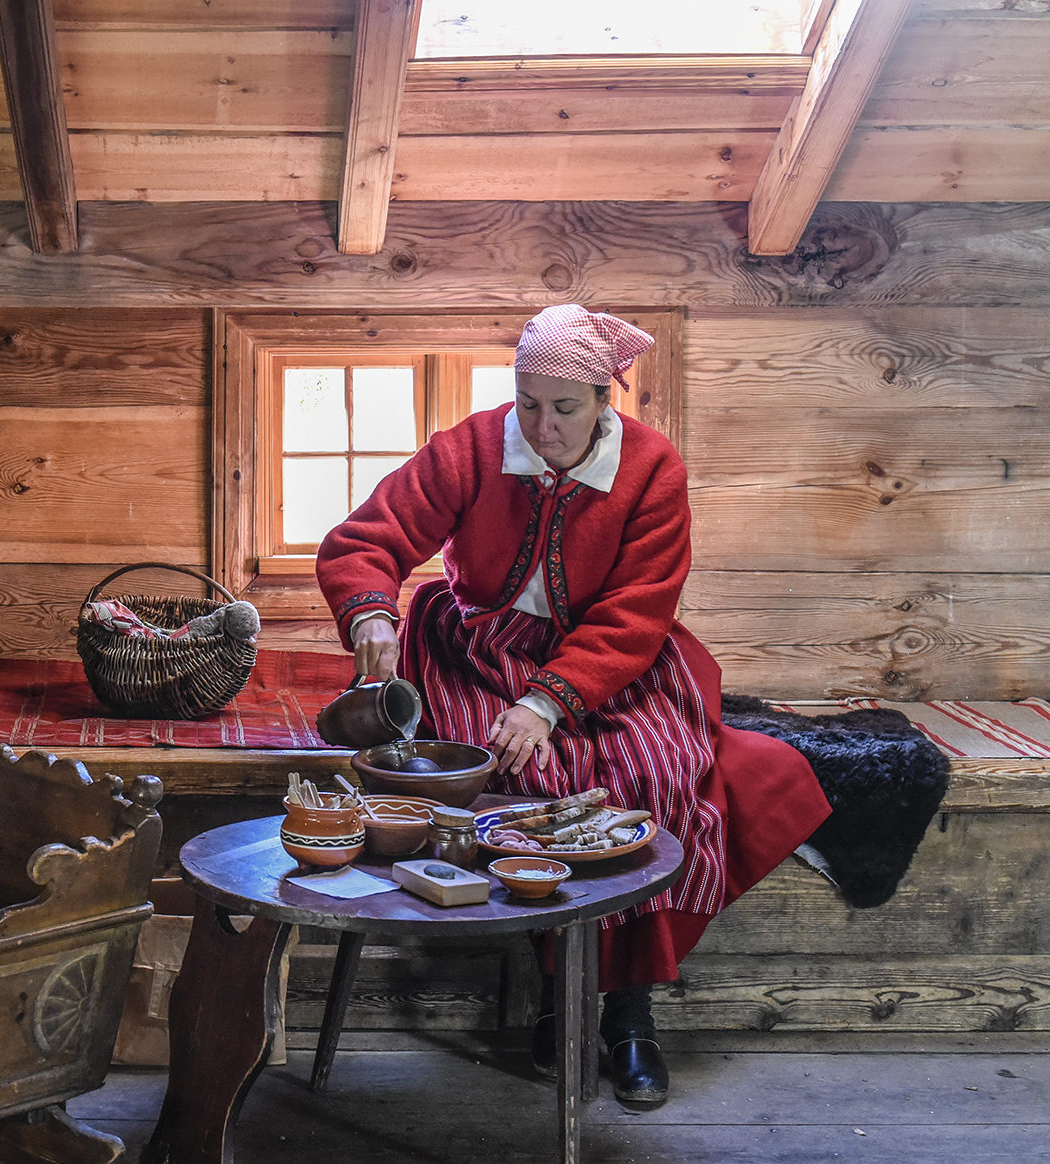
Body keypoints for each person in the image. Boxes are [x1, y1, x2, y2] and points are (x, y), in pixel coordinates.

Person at [316, 304, 831, 1107]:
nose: (543, 426)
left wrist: (549, 701)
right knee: (513, 777)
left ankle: (629, 1013)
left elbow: (636, 608)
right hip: (479, 647)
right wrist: (374, 610)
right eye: (528, 403)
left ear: (604, 401)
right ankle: (560, 993)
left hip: (612, 656)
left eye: (565, 408)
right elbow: (362, 542)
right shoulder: (471, 448)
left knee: (653, 774)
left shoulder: (653, 468)